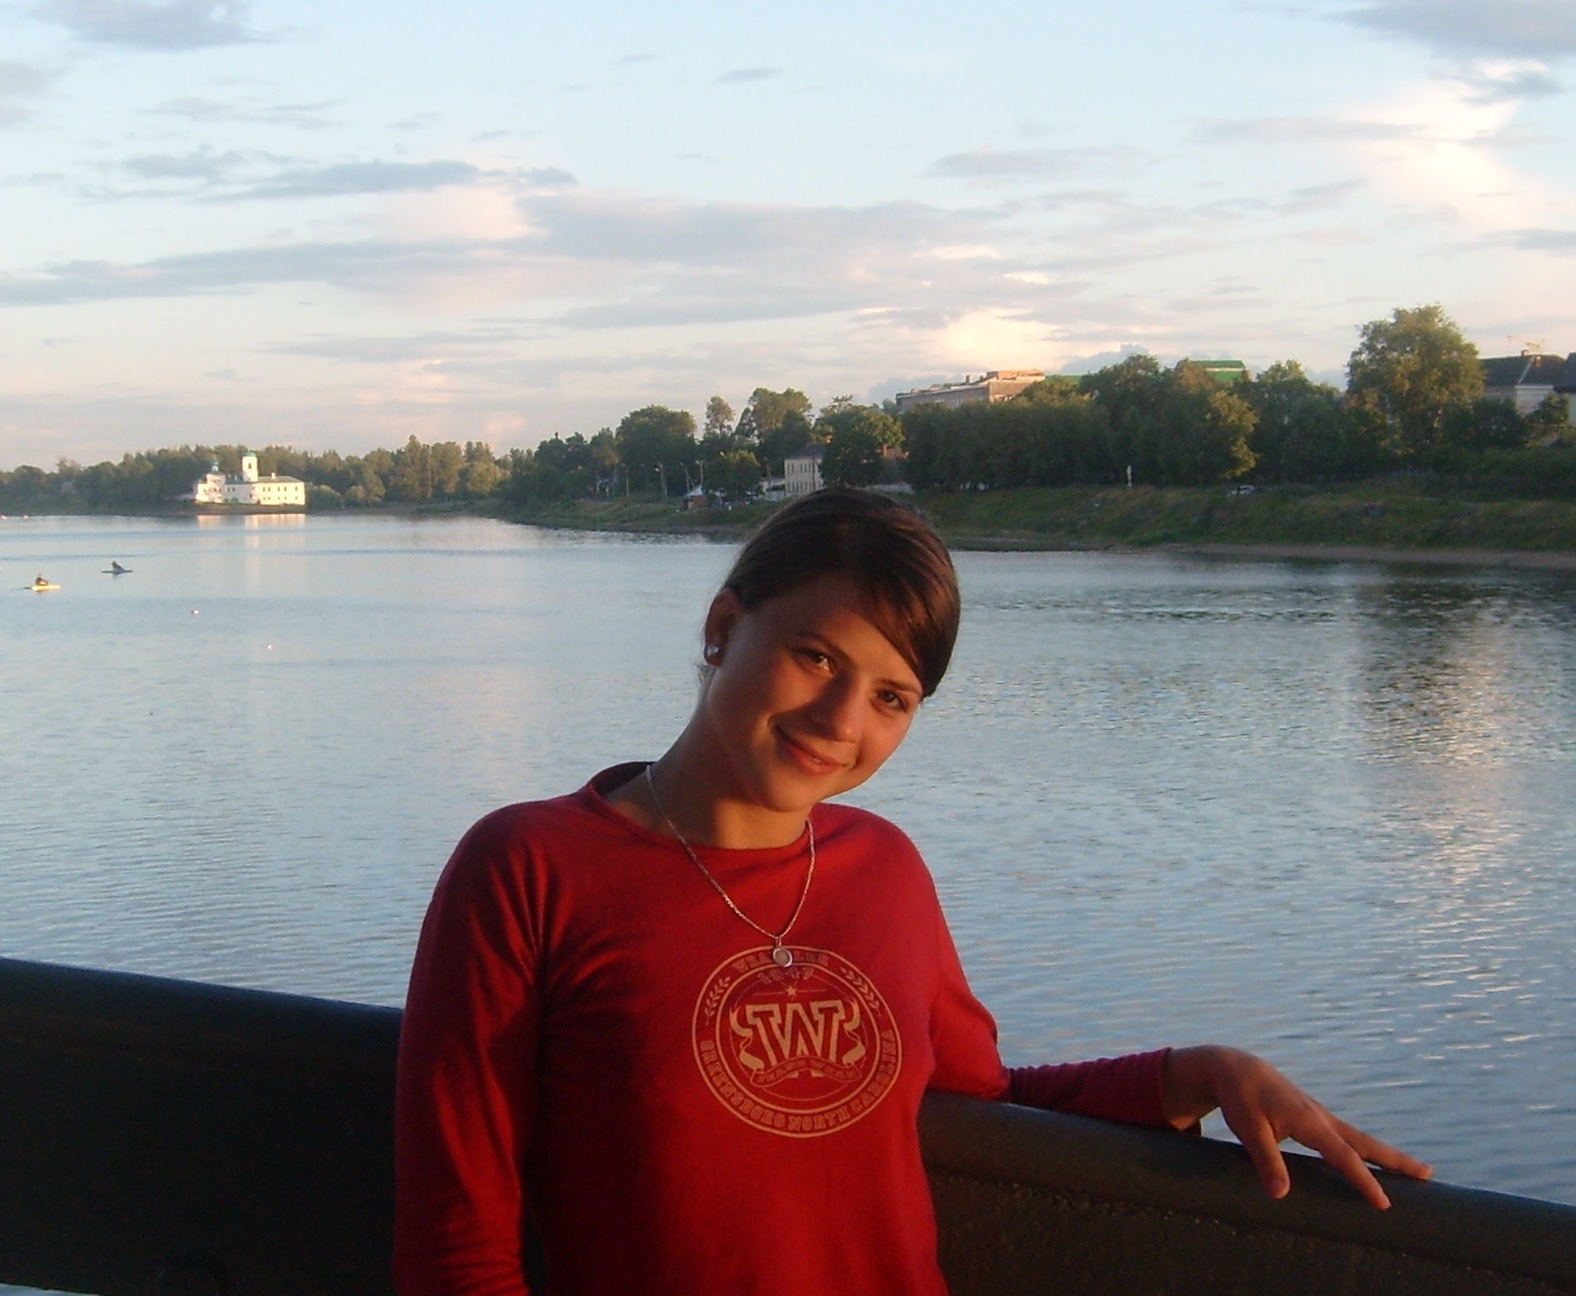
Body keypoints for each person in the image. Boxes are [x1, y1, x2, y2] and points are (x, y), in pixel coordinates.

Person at [394, 488, 1432, 1296]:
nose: (842, 721)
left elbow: (980, 1101)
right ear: (722, 627)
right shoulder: (529, 869)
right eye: (815, 657)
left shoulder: (884, 869)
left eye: (892, 697)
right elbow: (458, 1241)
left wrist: (1193, 1072)